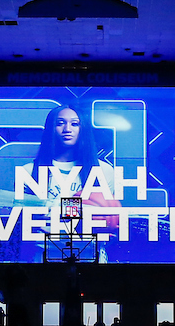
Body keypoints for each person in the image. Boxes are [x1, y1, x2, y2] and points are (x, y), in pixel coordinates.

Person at [28, 104, 119, 259]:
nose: (67, 129)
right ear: (50, 129)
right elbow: (21, 221)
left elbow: (108, 217)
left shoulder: (104, 171)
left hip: (89, 253)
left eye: (75, 124)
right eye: (60, 123)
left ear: (83, 129)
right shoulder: (29, 171)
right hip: (45, 252)